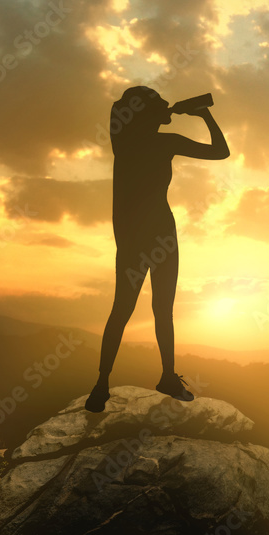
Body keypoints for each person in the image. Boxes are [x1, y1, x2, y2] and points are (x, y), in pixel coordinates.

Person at [85, 86, 229, 413]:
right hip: (157, 233)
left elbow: (222, 153)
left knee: (133, 309)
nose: (167, 108)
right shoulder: (160, 141)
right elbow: (221, 151)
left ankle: (107, 383)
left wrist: (168, 110)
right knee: (151, 309)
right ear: (144, 113)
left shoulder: (123, 142)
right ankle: (125, 380)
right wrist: (201, 113)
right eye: (160, 106)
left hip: (142, 234)